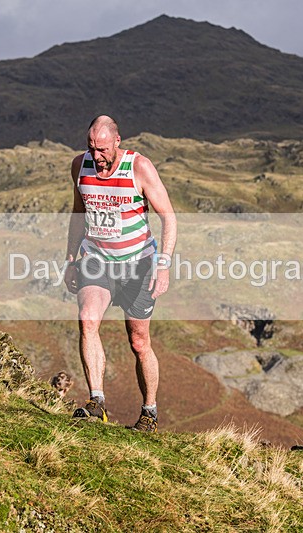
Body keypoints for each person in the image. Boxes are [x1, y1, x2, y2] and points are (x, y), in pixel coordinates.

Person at [63, 115, 177, 432]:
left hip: (138, 262)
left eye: (102, 149)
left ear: (117, 141)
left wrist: (163, 263)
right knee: (88, 319)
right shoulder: (79, 165)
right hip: (96, 258)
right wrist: (71, 258)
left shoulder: (139, 167)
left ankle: (149, 412)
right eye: (91, 148)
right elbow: (77, 213)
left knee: (139, 342)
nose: (97, 156)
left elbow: (169, 217)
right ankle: (96, 401)